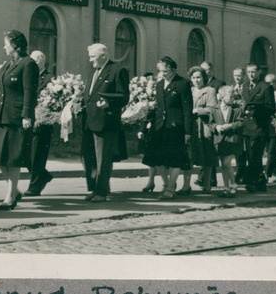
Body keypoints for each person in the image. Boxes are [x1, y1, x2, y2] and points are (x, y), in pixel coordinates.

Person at [0, 30, 38, 210]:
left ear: (15, 45)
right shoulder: (8, 64)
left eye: (6, 43)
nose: (4, 46)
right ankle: (14, 190)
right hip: (1, 117)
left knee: (13, 159)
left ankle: (10, 197)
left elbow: (30, 92)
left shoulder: (28, 64)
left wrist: (26, 115)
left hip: (16, 119)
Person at [138, 56, 193, 200]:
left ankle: (169, 189)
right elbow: (158, 108)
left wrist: (188, 131)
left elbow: (187, 110)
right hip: (160, 127)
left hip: (176, 127)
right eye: (161, 70)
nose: (162, 73)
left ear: (174, 70)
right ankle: (168, 184)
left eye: (165, 70)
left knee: (175, 158)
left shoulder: (183, 84)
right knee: (157, 159)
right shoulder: (159, 84)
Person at [80, 43, 130, 202]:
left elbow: (123, 96)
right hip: (89, 121)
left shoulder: (117, 70)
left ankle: (101, 192)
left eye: (92, 56)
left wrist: (109, 103)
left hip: (105, 121)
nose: (90, 60)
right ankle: (95, 188)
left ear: (103, 56)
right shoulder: (93, 71)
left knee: (103, 159)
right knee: (87, 156)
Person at [180, 66, 217, 194]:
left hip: (204, 125)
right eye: (194, 77)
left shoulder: (210, 90)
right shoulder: (188, 90)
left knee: (206, 155)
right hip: (190, 126)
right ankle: (186, 185)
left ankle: (207, 184)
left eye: (199, 77)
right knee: (188, 156)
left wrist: (199, 110)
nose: (196, 80)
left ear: (204, 78)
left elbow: (213, 109)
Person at [240, 63, 276, 193]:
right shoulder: (244, 86)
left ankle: (252, 182)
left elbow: (271, 108)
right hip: (247, 127)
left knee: (255, 155)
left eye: (254, 71)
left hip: (259, 126)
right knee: (251, 155)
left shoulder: (266, 87)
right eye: (249, 72)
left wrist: (255, 111)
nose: (251, 74)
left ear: (259, 72)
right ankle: (260, 182)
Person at [24, 50, 54, 196]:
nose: (33, 64)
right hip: (27, 120)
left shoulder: (49, 79)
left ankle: (34, 187)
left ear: (42, 62)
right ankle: (44, 176)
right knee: (25, 155)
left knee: (37, 156)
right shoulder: (27, 75)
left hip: (42, 123)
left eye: (36, 61)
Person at [209, 85, 244, 198]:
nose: (233, 98)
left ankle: (233, 185)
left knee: (226, 163)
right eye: (230, 96)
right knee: (223, 165)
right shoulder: (214, 109)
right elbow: (210, 123)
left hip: (232, 140)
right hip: (220, 141)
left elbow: (241, 123)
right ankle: (226, 187)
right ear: (222, 96)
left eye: (234, 96)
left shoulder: (237, 109)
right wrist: (216, 127)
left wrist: (230, 125)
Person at [263, 73, 276, 184]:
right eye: (267, 82)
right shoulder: (264, 94)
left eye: (271, 82)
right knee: (270, 152)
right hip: (266, 127)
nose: (269, 85)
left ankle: (266, 174)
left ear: (275, 83)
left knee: (272, 151)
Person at [230, 67, 248, 184]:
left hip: (246, 121)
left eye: (240, 75)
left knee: (246, 149)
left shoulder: (247, 88)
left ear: (244, 76)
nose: (237, 78)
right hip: (237, 120)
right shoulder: (232, 89)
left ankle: (243, 172)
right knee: (238, 149)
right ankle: (240, 172)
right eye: (235, 75)